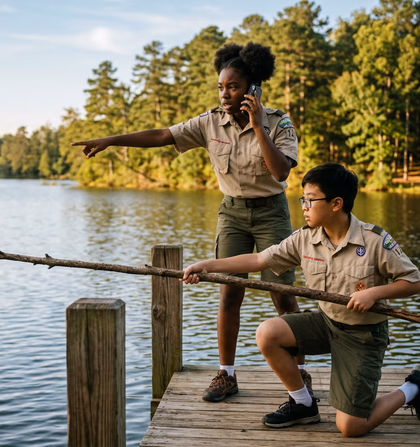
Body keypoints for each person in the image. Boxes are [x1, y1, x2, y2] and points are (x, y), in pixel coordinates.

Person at [71, 42, 314, 402]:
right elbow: (161, 136)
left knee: (282, 294)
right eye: (221, 86)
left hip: (271, 211)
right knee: (229, 292)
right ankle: (226, 374)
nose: (225, 93)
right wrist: (110, 140)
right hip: (232, 212)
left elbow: (280, 172)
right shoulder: (210, 121)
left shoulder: (279, 122)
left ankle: (299, 371)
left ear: (252, 87)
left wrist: (258, 126)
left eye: (233, 86)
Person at [181, 162, 420, 436]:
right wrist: (206, 265)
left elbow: (415, 282)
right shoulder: (305, 238)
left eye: (310, 200)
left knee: (351, 427)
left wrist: (374, 293)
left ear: (336, 203)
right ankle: (303, 404)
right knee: (268, 333)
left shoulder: (374, 240)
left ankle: (414, 388)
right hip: (326, 324)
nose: (303, 205)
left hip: (363, 335)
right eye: (302, 198)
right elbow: (258, 259)